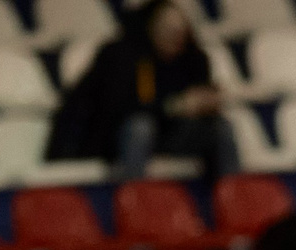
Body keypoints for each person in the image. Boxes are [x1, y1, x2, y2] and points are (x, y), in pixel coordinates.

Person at [46, 0, 238, 185]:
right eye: (168, 30)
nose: (175, 36)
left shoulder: (193, 59)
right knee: (140, 127)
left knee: (221, 127)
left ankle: (231, 200)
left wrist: (205, 104)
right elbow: (116, 108)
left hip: (172, 136)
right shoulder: (121, 56)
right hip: (114, 139)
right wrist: (174, 106)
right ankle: (134, 202)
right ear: (151, 27)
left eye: (180, 32)